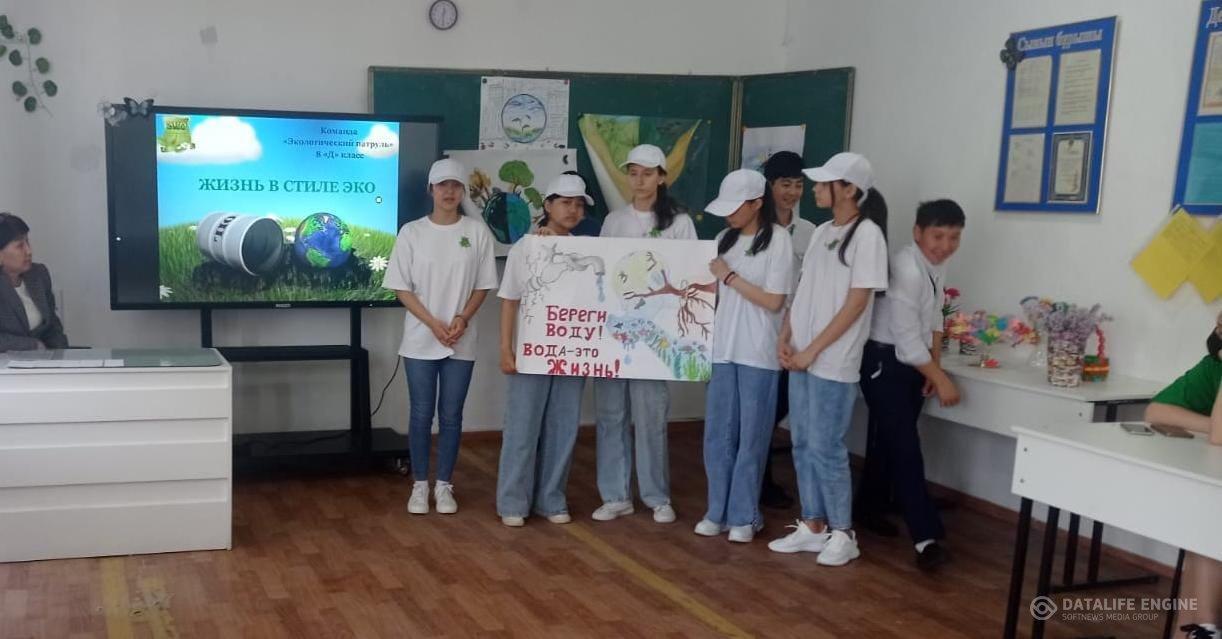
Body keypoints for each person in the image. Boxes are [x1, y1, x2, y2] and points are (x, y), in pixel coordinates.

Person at [770, 152, 888, 567]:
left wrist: (813, 350)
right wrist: (786, 336)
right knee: (802, 441)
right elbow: (803, 290)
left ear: (849, 189)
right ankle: (813, 524)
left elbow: (856, 303)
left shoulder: (868, 235)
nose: (816, 190)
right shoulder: (821, 232)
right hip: (802, 356)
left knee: (826, 445)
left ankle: (843, 531)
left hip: (832, 362)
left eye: (824, 184)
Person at [383, 159, 499, 516]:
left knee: (451, 415)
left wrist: (462, 319)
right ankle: (420, 485)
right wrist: (433, 324)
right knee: (421, 414)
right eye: (442, 185)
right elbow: (401, 287)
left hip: (460, 338)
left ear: (463, 191)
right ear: (431, 190)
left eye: (455, 186)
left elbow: (483, 285)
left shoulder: (476, 233)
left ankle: (444, 485)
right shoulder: (412, 232)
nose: (449, 192)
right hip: (421, 338)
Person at [855, 199, 965, 571]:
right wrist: (939, 378)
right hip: (884, 362)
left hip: (913, 363)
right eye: (938, 236)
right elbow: (905, 341)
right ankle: (926, 539)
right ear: (917, 233)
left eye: (954, 237)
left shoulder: (935, 265)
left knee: (890, 441)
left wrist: (934, 367)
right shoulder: (907, 269)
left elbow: (934, 317)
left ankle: (869, 506)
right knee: (905, 448)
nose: (945, 245)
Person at [591, 144, 697, 525]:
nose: (639, 181)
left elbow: (689, 274)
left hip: (655, 336)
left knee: (651, 416)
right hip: (617, 333)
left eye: (647, 174)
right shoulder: (614, 221)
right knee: (611, 414)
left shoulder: (679, 223)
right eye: (633, 173)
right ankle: (616, 495)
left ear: (662, 177)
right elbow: (602, 274)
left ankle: (656, 496)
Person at [695, 169, 794, 543]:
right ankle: (716, 511)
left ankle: (744, 515)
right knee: (718, 435)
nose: (729, 215)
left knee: (752, 437)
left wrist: (730, 277)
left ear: (756, 203)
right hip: (723, 349)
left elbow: (774, 301)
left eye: (735, 207)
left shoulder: (779, 240)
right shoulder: (724, 239)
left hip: (758, 353)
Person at [495, 173, 596, 527]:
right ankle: (512, 501)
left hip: (571, 353)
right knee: (522, 427)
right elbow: (510, 301)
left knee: (563, 427)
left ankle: (551, 498)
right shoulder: (526, 247)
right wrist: (506, 349)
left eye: (579, 204)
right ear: (548, 205)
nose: (573, 210)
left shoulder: (589, 250)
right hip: (531, 351)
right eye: (565, 203)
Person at [1145, 310, 1222, 639]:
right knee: (1205, 521)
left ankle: (1203, 628)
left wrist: (1215, 429)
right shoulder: (1214, 367)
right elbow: (1156, 411)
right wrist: (1210, 424)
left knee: (1209, 524)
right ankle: (1200, 629)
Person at [759, 151, 818, 510]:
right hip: (758, 330)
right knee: (758, 413)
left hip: (794, 336)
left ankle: (763, 481)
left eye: (798, 185)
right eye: (785, 184)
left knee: (778, 408)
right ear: (770, 186)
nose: (792, 192)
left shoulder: (811, 232)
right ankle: (757, 482)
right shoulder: (755, 228)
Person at [0, 212, 68, 352]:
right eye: (20, 245)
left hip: (43, 360)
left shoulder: (39, 274)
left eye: (28, 242)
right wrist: (33, 346)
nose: (29, 251)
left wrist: (61, 355)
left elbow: (53, 326)